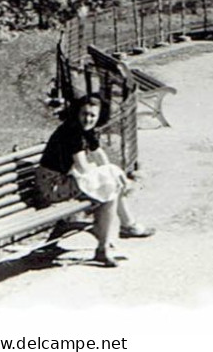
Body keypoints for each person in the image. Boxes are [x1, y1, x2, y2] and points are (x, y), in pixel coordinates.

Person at [33, 94, 153, 268]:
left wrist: (112, 171)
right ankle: (109, 242)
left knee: (109, 185)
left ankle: (121, 231)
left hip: (63, 180)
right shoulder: (72, 131)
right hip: (52, 185)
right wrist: (111, 174)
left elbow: (98, 154)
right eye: (84, 114)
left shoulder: (85, 130)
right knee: (109, 189)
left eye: (92, 116)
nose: (88, 119)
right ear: (77, 113)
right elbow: (82, 167)